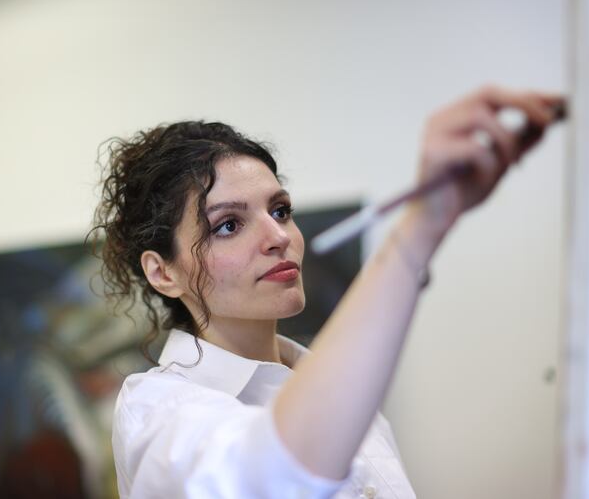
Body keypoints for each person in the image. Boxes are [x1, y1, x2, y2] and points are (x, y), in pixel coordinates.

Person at [91, 85, 563, 498]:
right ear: (162, 272)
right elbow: (269, 477)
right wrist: (418, 232)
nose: (278, 236)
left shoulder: (328, 384)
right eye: (229, 225)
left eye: (279, 210)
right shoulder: (157, 410)